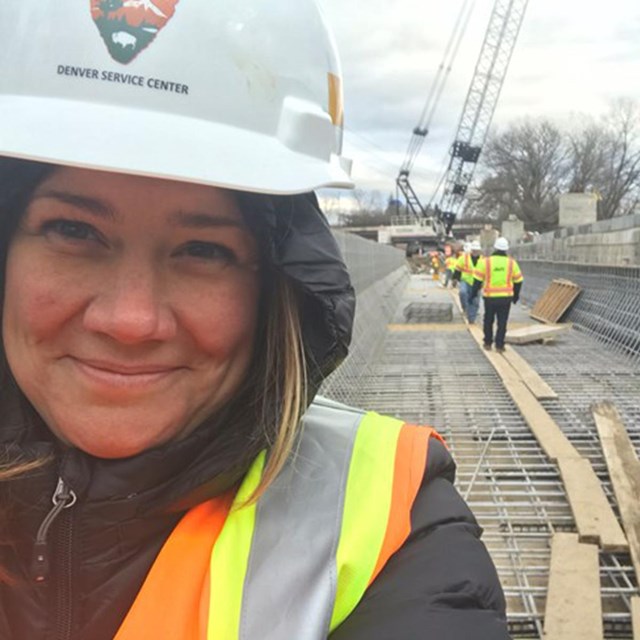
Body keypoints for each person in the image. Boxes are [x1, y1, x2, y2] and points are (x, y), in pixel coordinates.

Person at [0, 2, 509, 639]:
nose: (131, 320)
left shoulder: (386, 520)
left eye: (204, 250)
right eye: (73, 231)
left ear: (277, 288)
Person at [470, 237, 524, 353]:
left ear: (495, 247)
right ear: (506, 249)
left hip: (490, 298)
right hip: (506, 298)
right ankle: (499, 345)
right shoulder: (511, 263)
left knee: (488, 320)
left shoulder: (486, 262)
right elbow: (518, 281)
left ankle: (488, 343)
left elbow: (477, 281)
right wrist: (516, 296)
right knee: (502, 321)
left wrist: (473, 294)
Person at [453, 241, 483, 323]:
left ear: (479, 251)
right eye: (474, 250)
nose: (475, 252)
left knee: (475, 301)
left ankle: (471, 318)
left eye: (477, 251)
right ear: (471, 250)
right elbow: (458, 269)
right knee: (463, 293)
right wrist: (455, 279)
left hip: (477, 283)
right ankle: (465, 308)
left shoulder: (483, 260)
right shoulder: (464, 257)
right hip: (465, 281)